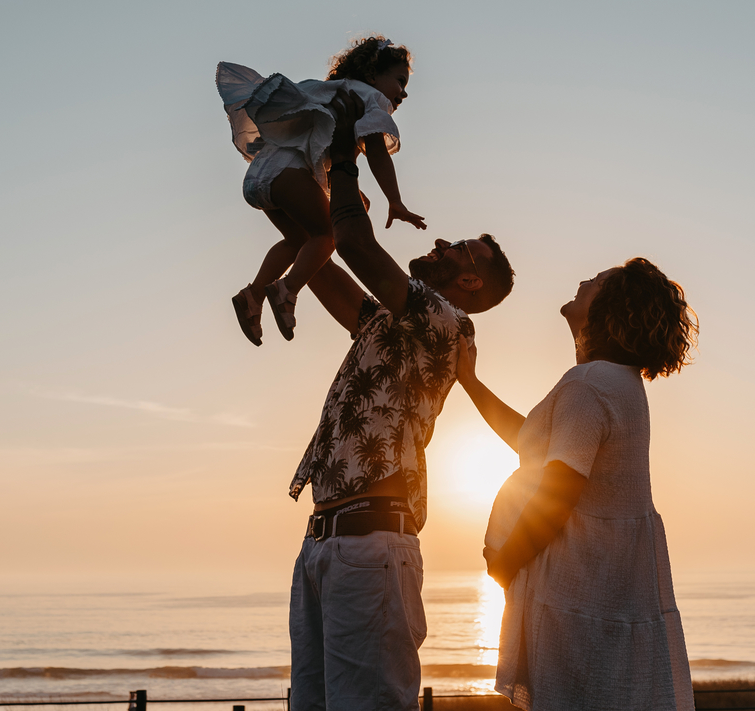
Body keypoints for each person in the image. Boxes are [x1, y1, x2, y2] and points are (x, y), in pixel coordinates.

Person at [286, 88, 515, 711]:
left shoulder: (445, 323)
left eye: (460, 251)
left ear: (469, 281)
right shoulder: (388, 322)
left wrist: (342, 147)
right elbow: (328, 265)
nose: (443, 244)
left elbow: (357, 247)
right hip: (324, 545)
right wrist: (282, 178)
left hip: (370, 549)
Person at [456, 258, 699, 711]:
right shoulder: (615, 382)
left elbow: (560, 488)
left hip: (575, 598)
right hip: (601, 591)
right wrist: (470, 382)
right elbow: (532, 441)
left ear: (610, 307)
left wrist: (504, 564)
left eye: (600, 281)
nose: (587, 278)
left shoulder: (589, 384)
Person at [216, 36, 425, 346]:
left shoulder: (330, 91)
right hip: (289, 173)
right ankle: (287, 291)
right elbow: (378, 154)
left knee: (299, 240)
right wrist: (395, 201)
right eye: (400, 81)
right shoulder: (370, 98)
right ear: (372, 75)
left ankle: (254, 294)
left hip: (262, 173)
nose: (403, 93)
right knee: (328, 234)